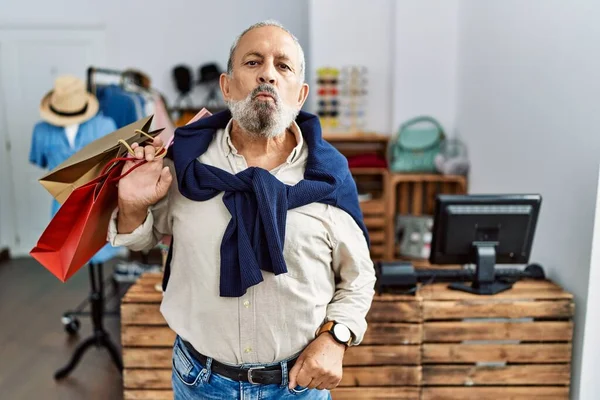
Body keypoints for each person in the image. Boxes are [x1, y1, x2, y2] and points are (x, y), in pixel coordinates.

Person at [108, 20, 376, 400]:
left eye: (283, 66)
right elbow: (140, 239)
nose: (268, 73)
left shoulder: (328, 178)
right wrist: (131, 206)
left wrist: (336, 339)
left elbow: (359, 278)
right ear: (227, 85)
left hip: (297, 387)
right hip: (199, 381)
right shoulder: (183, 164)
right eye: (252, 62)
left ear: (300, 96)